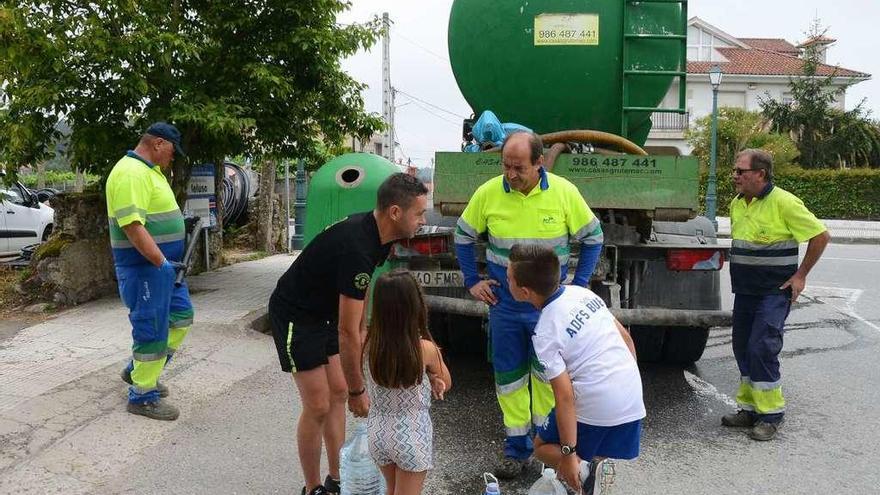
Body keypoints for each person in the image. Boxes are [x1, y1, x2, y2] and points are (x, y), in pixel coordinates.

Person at [454, 130, 604, 478]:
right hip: (505, 306)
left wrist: (578, 286)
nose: (511, 174)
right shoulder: (488, 193)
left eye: (519, 167)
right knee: (509, 377)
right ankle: (516, 448)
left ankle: (547, 446)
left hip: (549, 311)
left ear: (540, 163)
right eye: (506, 165)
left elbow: (594, 238)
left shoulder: (564, 193)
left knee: (548, 376)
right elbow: (462, 237)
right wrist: (472, 282)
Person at [267, 173, 428, 495]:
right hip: (296, 315)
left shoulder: (378, 235)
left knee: (336, 392)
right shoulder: (357, 246)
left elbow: (360, 294)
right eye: (419, 214)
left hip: (323, 313)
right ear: (395, 212)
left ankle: (338, 477)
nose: (422, 221)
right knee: (319, 404)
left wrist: (364, 327)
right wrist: (359, 390)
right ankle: (312, 487)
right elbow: (346, 331)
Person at [506, 243, 644, 495]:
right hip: (631, 393)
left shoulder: (546, 331)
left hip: (597, 400)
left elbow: (564, 396)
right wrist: (625, 382)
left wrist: (568, 454)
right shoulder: (583, 294)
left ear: (524, 291)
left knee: (542, 446)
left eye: (508, 278)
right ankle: (596, 471)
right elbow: (626, 339)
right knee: (597, 445)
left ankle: (581, 472)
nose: (507, 282)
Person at [722, 149, 830, 441]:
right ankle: (748, 409)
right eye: (735, 171)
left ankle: (770, 415)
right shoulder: (737, 203)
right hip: (745, 291)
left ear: (761, 174)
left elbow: (821, 235)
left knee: (762, 348)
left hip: (773, 291)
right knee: (742, 348)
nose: (735, 176)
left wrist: (801, 275)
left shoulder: (784, 202)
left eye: (741, 171)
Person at [105, 122, 193, 421]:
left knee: (180, 318)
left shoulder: (148, 171)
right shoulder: (131, 173)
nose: (173, 157)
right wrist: (161, 263)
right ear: (158, 143)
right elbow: (132, 226)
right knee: (151, 327)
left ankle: (137, 371)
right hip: (147, 269)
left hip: (163, 269)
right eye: (171, 150)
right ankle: (142, 396)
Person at [364, 269, 452, 495]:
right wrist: (435, 377)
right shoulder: (424, 349)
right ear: (416, 306)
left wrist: (428, 376)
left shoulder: (370, 346)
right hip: (412, 434)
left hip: (378, 432)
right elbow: (446, 380)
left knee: (391, 490)